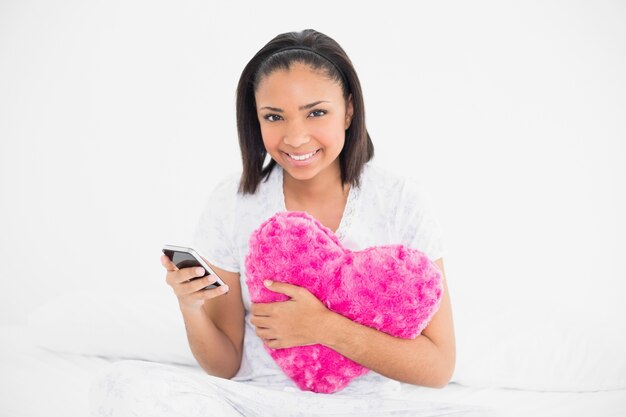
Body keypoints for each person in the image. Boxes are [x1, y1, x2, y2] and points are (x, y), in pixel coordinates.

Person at [90, 29, 462, 417]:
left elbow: (438, 368)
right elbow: (225, 364)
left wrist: (324, 327)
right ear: (256, 119)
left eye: (316, 112)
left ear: (349, 110)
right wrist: (192, 307)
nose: (296, 137)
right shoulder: (233, 201)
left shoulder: (401, 201)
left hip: (364, 407)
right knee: (119, 385)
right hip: (256, 403)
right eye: (274, 116)